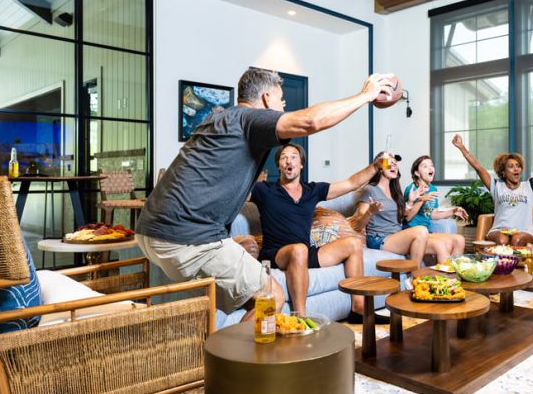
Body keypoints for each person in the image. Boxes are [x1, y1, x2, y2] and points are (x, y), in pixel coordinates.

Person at [135, 67, 398, 323]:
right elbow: (311, 121)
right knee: (272, 297)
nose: (283, 106)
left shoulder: (219, 120)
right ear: (266, 98)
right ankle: (228, 363)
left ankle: (225, 351)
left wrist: (376, 167)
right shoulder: (248, 119)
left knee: (243, 302)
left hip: (150, 230)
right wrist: (366, 95)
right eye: (281, 99)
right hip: (188, 235)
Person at [251, 143, 380, 320]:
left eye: (293, 156)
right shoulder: (264, 190)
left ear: (301, 164)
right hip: (275, 254)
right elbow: (236, 194)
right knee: (298, 249)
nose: (289, 160)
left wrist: (376, 166)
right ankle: (301, 318)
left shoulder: (312, 190)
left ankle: (358, 307)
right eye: (284, 157)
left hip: (304, 252)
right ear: (279, 165)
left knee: (353, 243)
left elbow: (351, 183)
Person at [451, 126, 533, 247]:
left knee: (516, 240)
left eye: (518, 166)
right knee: (502, 241)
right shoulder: (496, 186)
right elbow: (478, 168)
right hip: (499, 230)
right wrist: (462, 147)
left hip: (524, 232)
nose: (516, 169)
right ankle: (501, 265)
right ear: (503, 172)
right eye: (511, 166)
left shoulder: (529, 186)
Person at [356, 153, 459, 264]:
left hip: (397, 235)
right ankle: (414, 277)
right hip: (379, 239)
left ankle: (448, 280)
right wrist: (370, 212)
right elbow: (358, 224)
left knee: (441, 245)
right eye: (390, 163)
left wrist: (410, 201)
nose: (394, 166)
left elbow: (404, 217)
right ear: (380, 167)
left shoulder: (395, 190)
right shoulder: (370, 189)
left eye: (396, 164)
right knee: (421, 230)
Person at [404, 155, 468, 252]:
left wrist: (453, 211)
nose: (430, 168)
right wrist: (421, 199)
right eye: (425, 166)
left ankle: (453, 267)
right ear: (417, 173)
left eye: (431, 165)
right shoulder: (412, 190)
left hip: (427, 230)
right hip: (412, 231)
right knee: (443, 245)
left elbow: (432, 214)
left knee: (460, 240)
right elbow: (407, 217)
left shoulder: (433, 189)